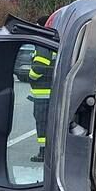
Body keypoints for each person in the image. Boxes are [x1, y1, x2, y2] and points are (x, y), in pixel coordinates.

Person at [28, 16, 55, 162]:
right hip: (51, 92)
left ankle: (44, 153)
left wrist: (30, 76)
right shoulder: (53, 41)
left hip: (43, 94)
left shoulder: (43, 44)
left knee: (42, 123)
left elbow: (40, 66)